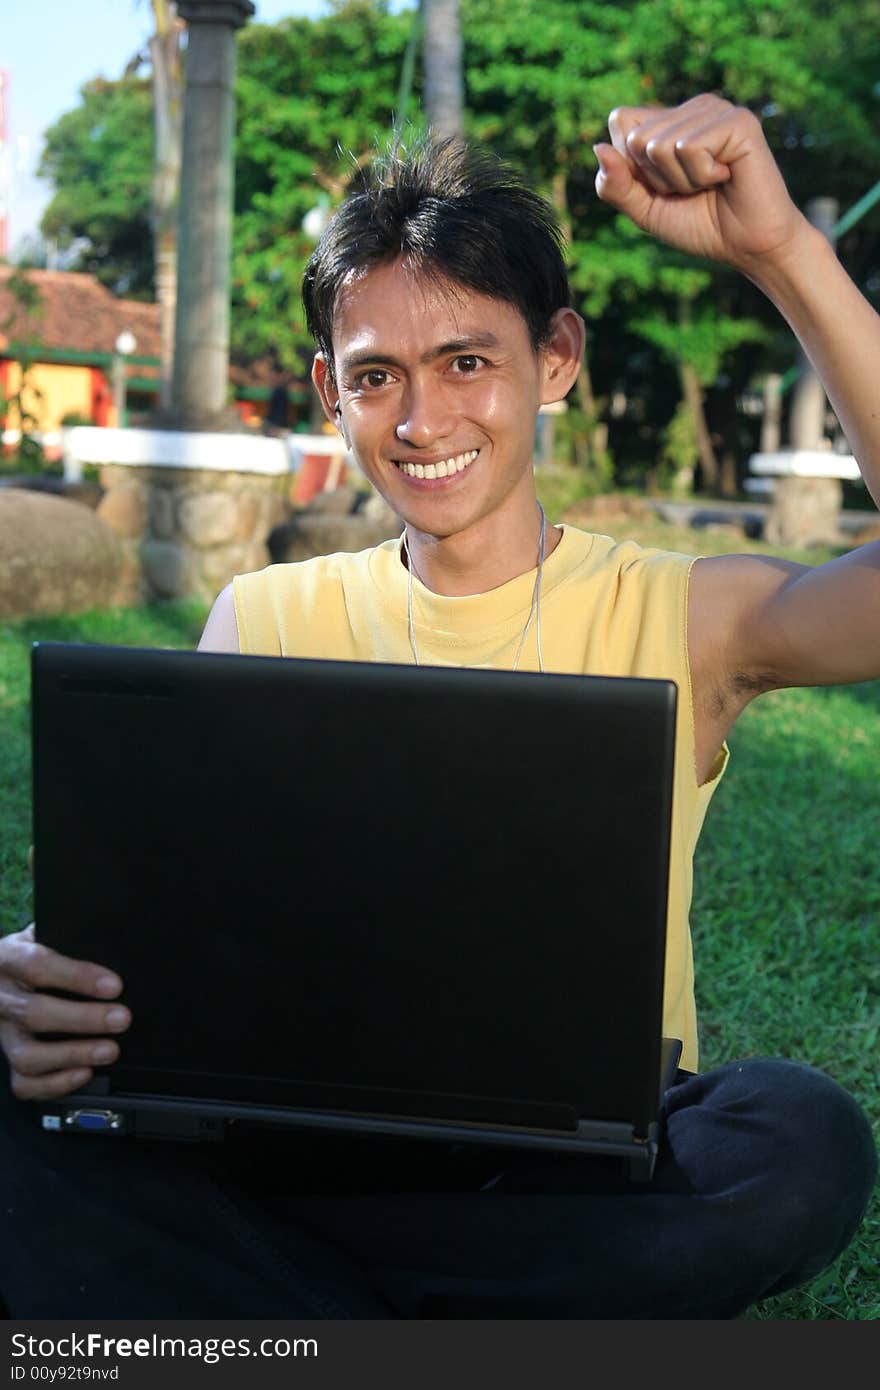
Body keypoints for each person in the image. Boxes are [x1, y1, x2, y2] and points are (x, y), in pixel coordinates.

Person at [0, 95, 876, 1320]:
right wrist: (41, 992)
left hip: (565, 1162)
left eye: (468, 361)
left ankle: (286, 1312)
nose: (422, 422)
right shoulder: (262, 618)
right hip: (294, 1137)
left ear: (554, 358)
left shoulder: (688, 615)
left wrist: (783, 249)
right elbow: (160, 944)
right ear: (328, 391)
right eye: (377, 378)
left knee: (798, 1136)